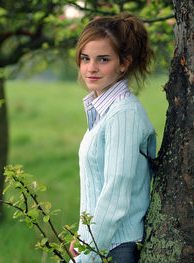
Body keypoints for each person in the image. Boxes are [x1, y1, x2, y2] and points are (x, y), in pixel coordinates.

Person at [69, 13, 156, 263]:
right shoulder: (103, 111)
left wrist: (89, 251)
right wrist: (84, 233)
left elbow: (116, 191)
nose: (91, 68)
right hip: (101, 242)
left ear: (124, 63)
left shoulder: (123, 114)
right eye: (85, 58)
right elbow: (96, 186)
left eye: (103, 59)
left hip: (116, 248)